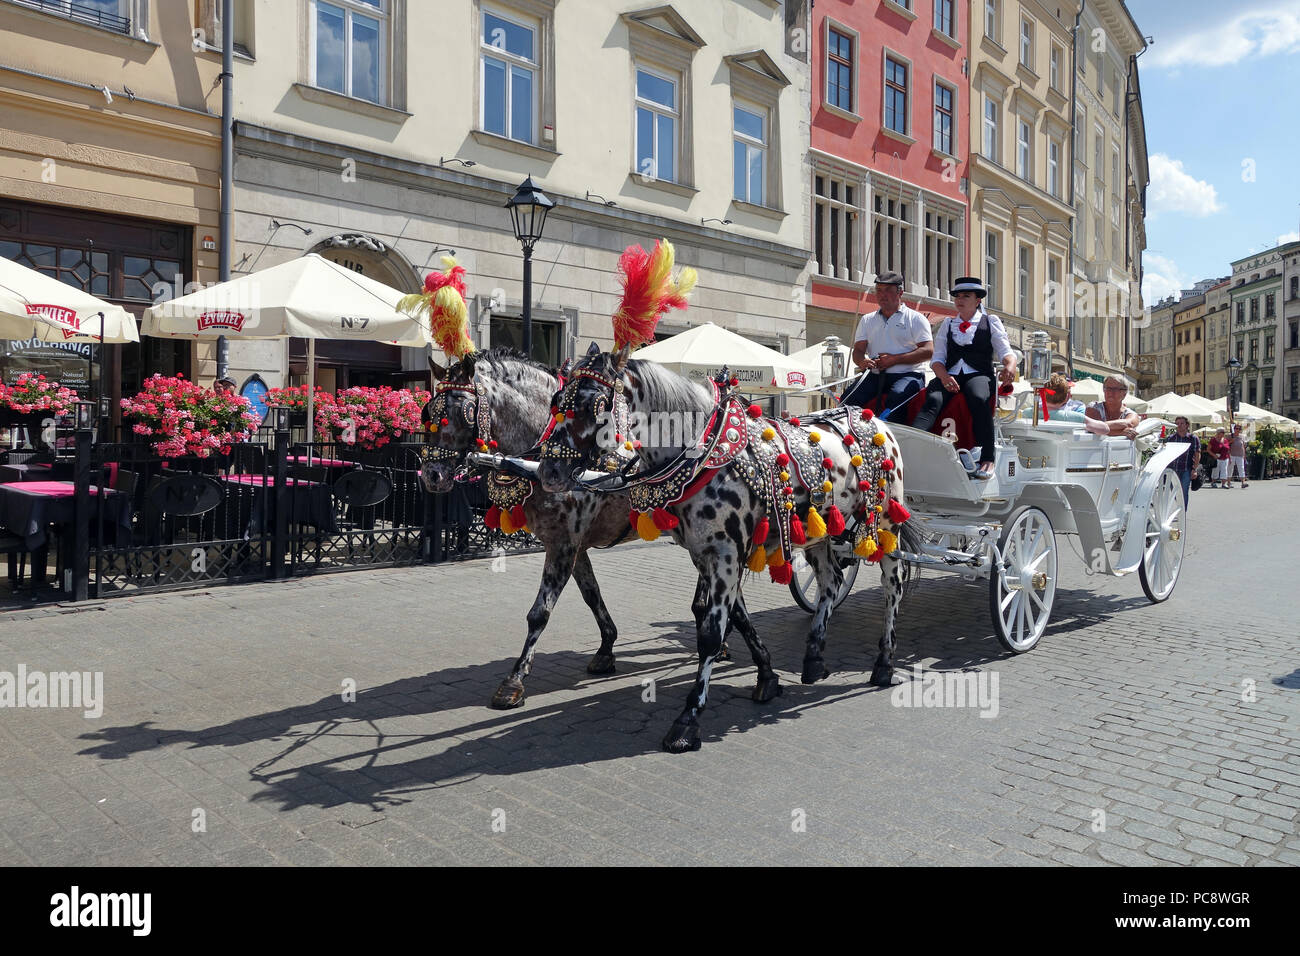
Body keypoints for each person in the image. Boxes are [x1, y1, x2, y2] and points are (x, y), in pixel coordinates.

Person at [911, 277, 1017, 480]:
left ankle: (987, 457)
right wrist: (944, 377)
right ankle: (913, 447)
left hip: (978, 374)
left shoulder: (990, 322)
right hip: (948, 374)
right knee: (932, 400)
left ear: (978, 300)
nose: (960, 300)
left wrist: (1010, 366)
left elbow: (1006, 351)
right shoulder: (948, 323)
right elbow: (937, 358)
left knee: (978, 398)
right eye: (957, 296)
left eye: (966, 296)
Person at [842, 271, 934, 417]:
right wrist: (862, 361)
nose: (882, 295)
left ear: (900, 292)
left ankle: (893, 436)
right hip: (876, 374)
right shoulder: (867, 320)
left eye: (888, 291)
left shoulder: (915, 318)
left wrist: (895, 359)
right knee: (847, 398)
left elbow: (928, 351)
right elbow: (858, 350)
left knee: (898, 396)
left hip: (909, 373)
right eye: (878, 290)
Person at [1165, 415, 1200, 508]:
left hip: (1186, 469)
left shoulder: (1193, 438)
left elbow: (1197, 454)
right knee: (1174, 492)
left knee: (1184, 491)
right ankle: (1180, 509)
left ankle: (1182, 513)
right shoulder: (1171, 438)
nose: (1179, 426)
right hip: (1173, 469)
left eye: (1181, 423)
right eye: (1177, 424)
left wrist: (1194, 469)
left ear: (1187, 425)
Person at [1227, 423, 1248, 488]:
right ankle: (1228, 483)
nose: (1237, 430)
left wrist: (1244, 455)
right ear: (1234, 429)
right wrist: (1231, 441)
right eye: (1236, 428)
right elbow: (1226, 444)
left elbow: (1243, 446)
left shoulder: (1242, 436)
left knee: (1241, 468)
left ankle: (1243, 482)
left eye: (1239, 429)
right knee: (1230, 468)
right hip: (1232, 454)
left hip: (1240, 455)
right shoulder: (1230, 436)